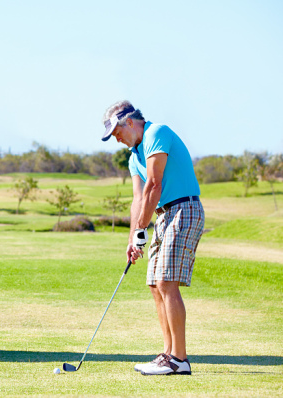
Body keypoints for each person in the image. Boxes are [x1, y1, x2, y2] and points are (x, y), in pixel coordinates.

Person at [101, 100, 205, 376]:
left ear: (130, 122)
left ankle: (179, 360)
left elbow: (154, 185)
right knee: (154, 285)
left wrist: (141, 231)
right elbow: (138, 199)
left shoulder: (157, 133)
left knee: (166, 282)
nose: (117, 138)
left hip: (183, 208)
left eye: (117, 132)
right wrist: (132, 238)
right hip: (162, 216)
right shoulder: (133, 157)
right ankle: (168, 355)